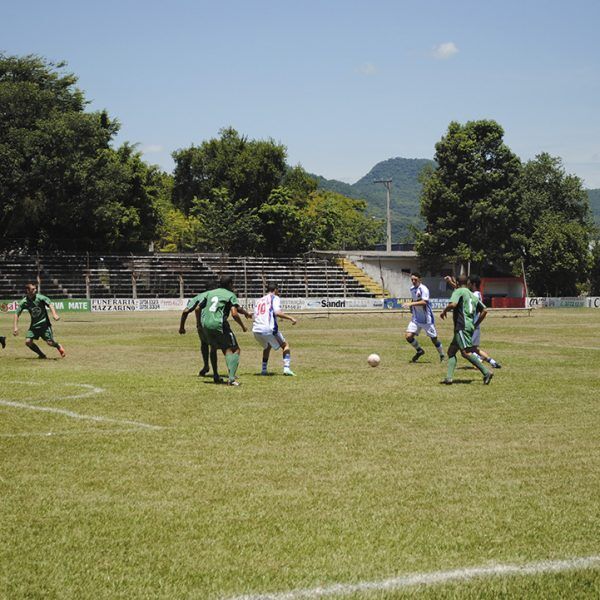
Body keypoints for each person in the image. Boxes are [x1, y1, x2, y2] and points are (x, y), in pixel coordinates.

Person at [440, 275, 492, 385]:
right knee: (451, 352)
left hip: (461, 326)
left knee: (466, 352)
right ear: (467, 283)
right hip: (467, 326)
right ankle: (449, 378)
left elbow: (453, 304)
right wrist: (475, 323)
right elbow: (484, 310)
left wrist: (444, 310)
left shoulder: (458, 291)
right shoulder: (472, 295)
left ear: (457, 283)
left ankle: (486, 372)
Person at [444, 275, 501, 369]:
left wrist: (452, 283)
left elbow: (462, 292)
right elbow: (462, 290)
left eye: (469, 283)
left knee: (468, 350)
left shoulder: (474, 294)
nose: (468, 284)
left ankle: (481, 365)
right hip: (471, 324)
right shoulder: (475, 293)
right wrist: (452, 283)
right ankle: (492, 362)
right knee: (473, 348)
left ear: (473, 284)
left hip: (468, 323)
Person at [200, 276, 248, 386]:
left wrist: (200, 323)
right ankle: (231, 379)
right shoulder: (230, 295)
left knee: (214, 348)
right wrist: (243, 326)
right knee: (235, 349)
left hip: (206, 325)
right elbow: (234, 313)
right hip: (219, 324)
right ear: (230, 284)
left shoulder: (210, 293)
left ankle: (216, 375)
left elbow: (199, 308)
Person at [252, 282, 298, 376]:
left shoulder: (259, 300)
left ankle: (264, 370)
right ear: (276, 290)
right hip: (268, 328)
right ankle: (286, 369)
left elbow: (255, 315)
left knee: (267, 347)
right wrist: (290, 318)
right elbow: (277, 312)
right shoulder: (275, 298)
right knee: (285, 346)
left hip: (256, 329)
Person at [179, 279, 220, 382]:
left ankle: (206, 366)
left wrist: (182, 327)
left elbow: (185, 311)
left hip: (201, 326)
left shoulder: (199, 296)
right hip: (215, 323)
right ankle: (216, 373)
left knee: (204, 343)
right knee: (215, 346)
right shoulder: (218, 295)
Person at [13, 283, 66, 359]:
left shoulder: (40, 297)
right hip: (34, 326)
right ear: (28, 291)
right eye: (33, 289)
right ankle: (41, 355)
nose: (35, 290)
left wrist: (54, 314)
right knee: (28, 342)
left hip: (44, 325)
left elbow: (50, 304)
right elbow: (16, 314)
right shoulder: (24, 302)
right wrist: (15, 327)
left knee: (50, 343)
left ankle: (58, 346)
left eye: (35, 288)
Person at [402, 272, 445, 362]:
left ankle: (442, 355)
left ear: (420, 279)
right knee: (408, 336)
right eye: (412, 280)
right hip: (416, 318)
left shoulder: (424, 289)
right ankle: (419, 351)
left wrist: (411, 304)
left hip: (426, 319)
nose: (413, 281)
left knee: (434, 339)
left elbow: (424, 302)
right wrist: (411, 307)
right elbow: (414, 299)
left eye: (415, 279)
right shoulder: (412, 289)